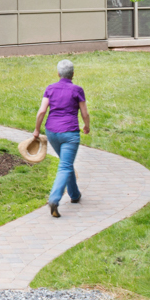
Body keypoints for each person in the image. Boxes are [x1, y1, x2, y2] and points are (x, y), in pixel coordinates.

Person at [29, 59, 92, 217]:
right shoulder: (77, 90)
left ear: (58, 73)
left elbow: (42, 112)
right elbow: (85, 113)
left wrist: (37, 129)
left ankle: (75, 195)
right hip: (70, 133)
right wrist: (87, 126)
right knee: (65, 166)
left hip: (52, 132)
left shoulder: (50, 89)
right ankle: (54, 199)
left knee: (66, 162)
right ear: (73, 74)